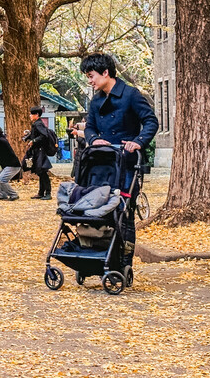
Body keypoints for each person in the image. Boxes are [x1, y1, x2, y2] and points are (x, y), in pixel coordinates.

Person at [81, 53, 158, 273]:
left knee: (124, 212)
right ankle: (98, 258)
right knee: (97, 210)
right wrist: (94, 139)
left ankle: (124, 263)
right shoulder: (96, 100)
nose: (90, 80)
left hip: (126, 163)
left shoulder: (130, 95)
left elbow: (151, 121)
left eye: (91, 75)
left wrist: (138, 142)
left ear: (106, 73)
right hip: (102, 164)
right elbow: (90, 127)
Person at [22, 107, 53, 200]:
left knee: (42, 171)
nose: (30, 116)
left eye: (32, 114)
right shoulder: (36, 124)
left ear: (37, 115)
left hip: (40, 151)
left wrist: (34, 141)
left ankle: (48, 193)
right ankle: (41, 192)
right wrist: (28, 137)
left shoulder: (38, 124)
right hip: (37, 151)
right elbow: (35, 134)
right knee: (40, 172)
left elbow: (44, 135)